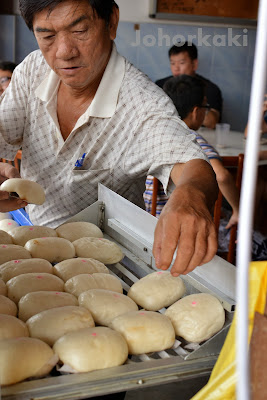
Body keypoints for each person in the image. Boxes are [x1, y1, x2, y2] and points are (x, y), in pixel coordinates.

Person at [0, 0, 218, 280]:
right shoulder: (33, 70)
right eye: (48, 36)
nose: (64, 52)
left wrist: (192, 195)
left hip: (105, 266)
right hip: (35, 239)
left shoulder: (140, 105)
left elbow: (193, 167)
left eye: (79, 31)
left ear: (111, 22)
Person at [144, 75, 240, 230]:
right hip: (182, 226)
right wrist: (238, 210)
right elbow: (221, 176)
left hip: (149, 222)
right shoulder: (192, 140)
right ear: (196, 111)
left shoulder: (154, 135)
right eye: (205, 106)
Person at [156, 42, 223, 129]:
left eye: (182, 63)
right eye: (172, 63)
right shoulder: (160, 85)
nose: (176, 68)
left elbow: (212, 123)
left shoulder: (210, 89)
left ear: (194, 64)